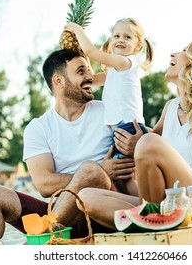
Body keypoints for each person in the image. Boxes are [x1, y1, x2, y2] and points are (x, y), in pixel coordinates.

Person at [0, 49, 140, 244]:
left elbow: (143, 133)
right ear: (58, 81)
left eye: (89, 70)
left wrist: (138, 141)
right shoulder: (38, 128)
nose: (90, 76)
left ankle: (40, 243)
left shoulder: (108, 111)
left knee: (91, 171)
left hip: (102, 210)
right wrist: (102, 170)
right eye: (81, 71)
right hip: (62, 215)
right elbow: (43, 183)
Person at [76, 36, 192, 230]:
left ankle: (152, 220)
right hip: (169, 200)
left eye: (184, 50)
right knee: (85, 197)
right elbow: (152, 147)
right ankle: (154, 219)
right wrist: (134, 141)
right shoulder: (171, 107)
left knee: (148, 143)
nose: (173, 54)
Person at [64, 18, 154, 193]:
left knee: (126, 177)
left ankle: (147, 208)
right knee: (124, 178)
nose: (120, 40)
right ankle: (140, 208)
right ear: (111, 40)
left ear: (138, 45)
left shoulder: (126, 63)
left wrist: (76, 29)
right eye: (116, 36)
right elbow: (92, 79)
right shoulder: (115, 70)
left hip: (127, 127)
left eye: (127, 37)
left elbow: (90, 50)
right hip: (120, 127)